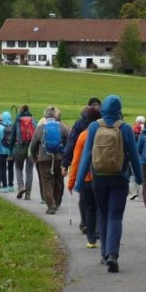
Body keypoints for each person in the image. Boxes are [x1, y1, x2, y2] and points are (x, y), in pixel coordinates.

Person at [75, 94, 143, 273]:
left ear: (103, 109)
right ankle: (113, 254)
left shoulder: (93, 127)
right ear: (119, 109)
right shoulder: (125, 129)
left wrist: (79, 181)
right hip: (119, 178)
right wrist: (139, 178)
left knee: (103, 215)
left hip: (98, 178)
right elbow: (134, 156)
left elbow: (87, 155)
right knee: (115, 216)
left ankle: (104, 254)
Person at [62, 97, 102, 232]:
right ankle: (96, 225)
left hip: (83, 169)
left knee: (84, 197)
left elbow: (72, 144)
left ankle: (85, 223)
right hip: (102, 168)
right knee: (98, 198)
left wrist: (66, 165)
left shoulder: (80, 125)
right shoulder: (104, 126)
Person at [29, 106, 70, 214]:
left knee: (47, 181)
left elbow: (33, 145)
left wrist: (34, 157)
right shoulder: (62, 127)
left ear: (45, 116)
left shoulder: (40, 128)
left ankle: (51, 205)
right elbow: (68, 143)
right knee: (58, 180)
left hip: (44, 158)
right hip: (59, 158)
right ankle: (56, 202)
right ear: (55, 116)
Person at [11, 105, 36, 200]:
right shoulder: (33, 121)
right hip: (31, 149)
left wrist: (10, 151)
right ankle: (28, 194)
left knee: (18, 168)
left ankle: (21, 186)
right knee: (29, 170)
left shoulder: (17, 121)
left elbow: (13, 137)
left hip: (19, 148)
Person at [129, 115, 146, 201]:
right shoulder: (145, 131)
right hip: (143, 156)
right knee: (142, 174)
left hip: (133, 155)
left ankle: (133, 192)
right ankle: (142, 194)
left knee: (132, 174)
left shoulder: (133, 130)